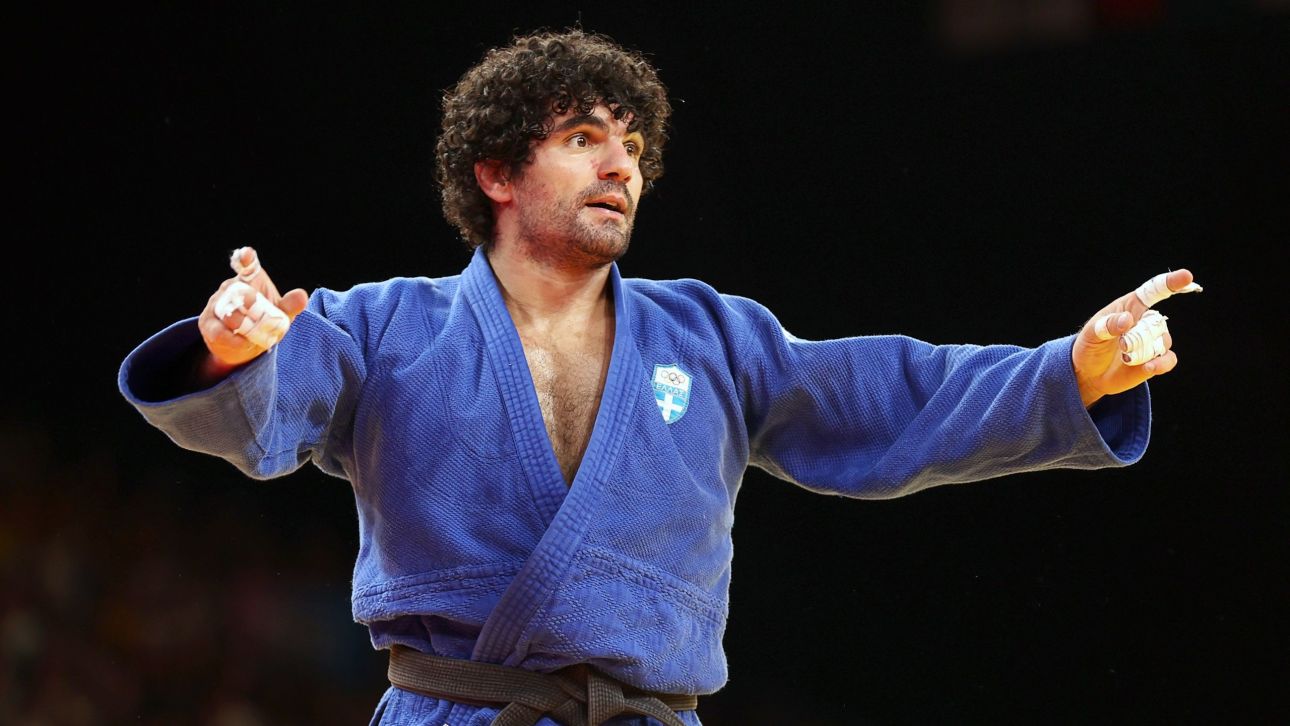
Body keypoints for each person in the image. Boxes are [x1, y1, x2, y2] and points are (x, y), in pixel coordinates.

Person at [119, 29, 1197, 726]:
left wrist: (1070, 373)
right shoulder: (386, 325)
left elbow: (888, 396)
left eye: (632, 144)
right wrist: (233, 347)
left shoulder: (710, 336)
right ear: (496, 171)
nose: (620, 164)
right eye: (584, 138)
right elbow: (268, 408)